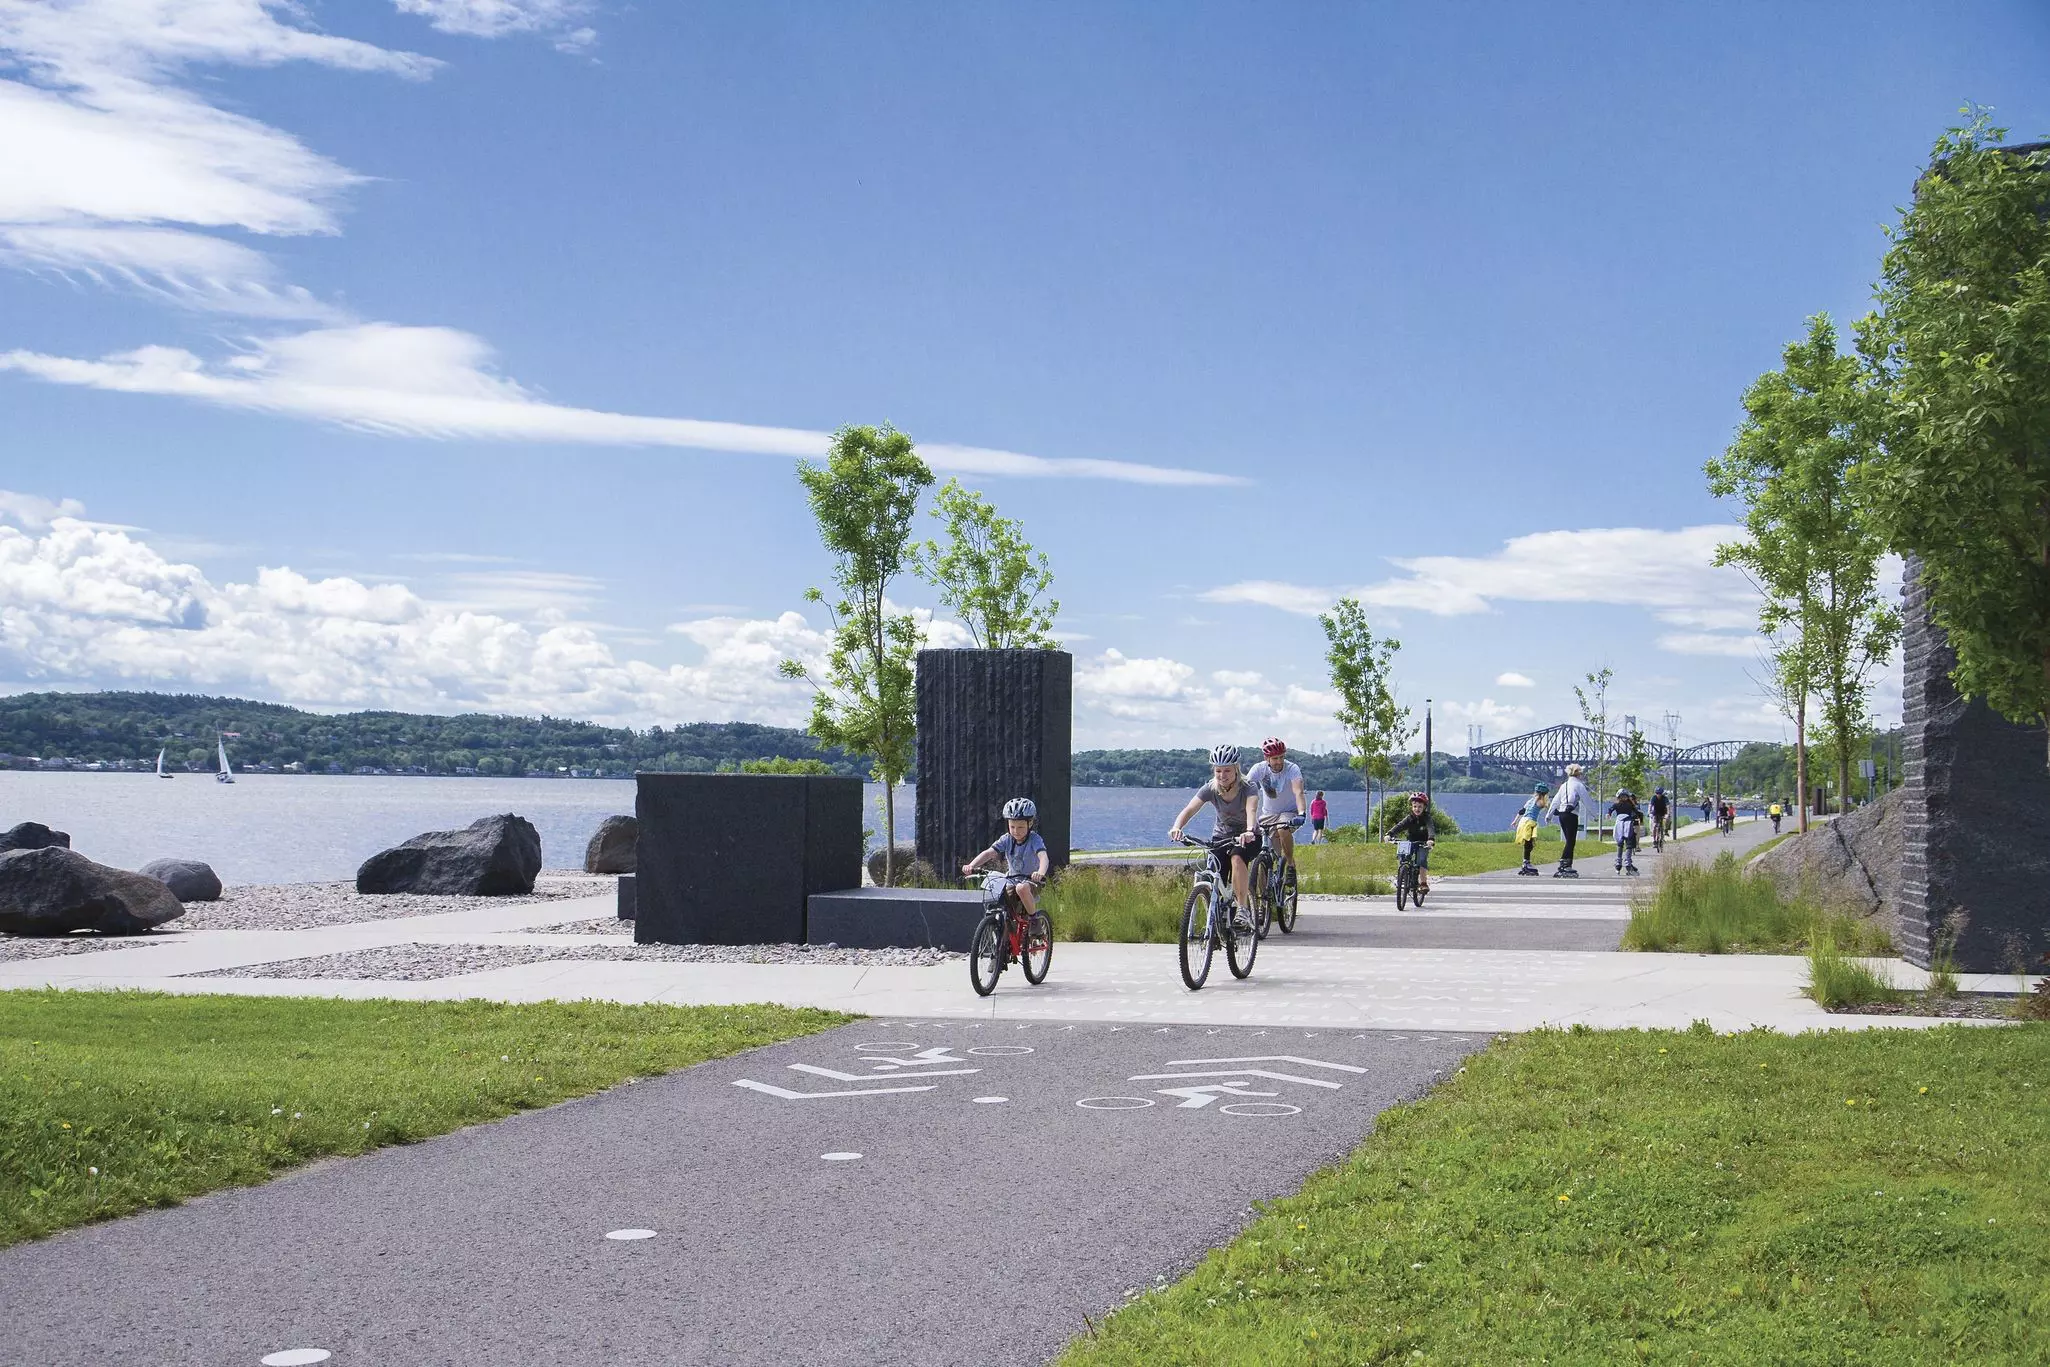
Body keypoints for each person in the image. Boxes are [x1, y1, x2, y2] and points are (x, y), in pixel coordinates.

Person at [1169, 744, 1261, 925]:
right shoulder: (1210, 788)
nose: (1222, 775)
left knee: (1237, 857)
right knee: (1213, 873)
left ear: (1236, 769)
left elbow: (1252, 810)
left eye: (1227, 770)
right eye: (1218, 771)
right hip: (1222, 837)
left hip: (1248, 837)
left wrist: (1250, 830)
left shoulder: (1249, 787)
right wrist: (1177, 827)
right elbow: (1190, 809)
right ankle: (1216, 921)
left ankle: (1242, 910)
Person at [961, 796, 1050, 916]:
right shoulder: (1007, 839)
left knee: (1021, 888)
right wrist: (971, 865)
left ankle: (1034, 920)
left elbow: (1043, 857)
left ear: (1030, 824)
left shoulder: (1035, 839)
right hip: (1012, 880)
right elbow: (989, 853)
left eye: (1020, 827)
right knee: (1002, 905)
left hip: (1032, 881)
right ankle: (1000, 928)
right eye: (1012, 827)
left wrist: (1040, 872)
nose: (1015, 831)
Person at [1246, 737, 1308, 867]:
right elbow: (1244, 788)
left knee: (1282, 829)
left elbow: (1298, 792)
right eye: (1275, 758)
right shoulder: (1259, 769)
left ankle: (1290, 864)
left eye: (1281, 757)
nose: (1279, 761)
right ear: (1266, 758)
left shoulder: (1292, 769)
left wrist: (1302, 813)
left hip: (1289, 812)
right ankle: (1267, 880)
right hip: (1269, 814)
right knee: (1264, 851)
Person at [1382, 790, 1436, 895]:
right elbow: (1400, 826)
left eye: (1420, 807)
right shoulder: (1409, 818)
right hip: (1410, 841)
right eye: (1415, 806)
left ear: (1424, 807)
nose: (1417, 809)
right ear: (1411, 807)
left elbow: (1431, 828)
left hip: (1423, 842)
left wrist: (1431, 839)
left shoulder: (1427, 818)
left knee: (1421, 860)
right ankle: (1403, 875)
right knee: (1402, 855)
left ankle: (1423, 883)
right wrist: (1389, 834)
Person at [1549, 763, 1590, 877]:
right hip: (1571, 814)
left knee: (1569, 841)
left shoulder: (1564, 785)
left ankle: (1567, 864)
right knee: (1571, 841)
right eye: (1581, 773)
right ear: (1578, 774)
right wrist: (1595, 815)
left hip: (1562, 814)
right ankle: (1564, 863)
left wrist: (1549, 815)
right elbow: (1587, 800)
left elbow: (1555, 801)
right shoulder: (1579, 785)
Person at [1510, 783, 1549, 875]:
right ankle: (1526, 863)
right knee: (1529, 844)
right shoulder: (1541, 802)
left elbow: (1521, 811)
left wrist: (1515, 821)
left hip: (1523, 821)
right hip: (1529, 823)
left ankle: (1526, 862)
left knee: (1528, 843)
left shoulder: (1530, 801)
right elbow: (1548, 808)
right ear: (1544, 794)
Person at [1609, 789, 1643, 874]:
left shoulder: (1616, 804)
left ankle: (1618, 862)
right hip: (1628, 824)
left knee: (1620, 842)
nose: (1624, 798)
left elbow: (1610, 809)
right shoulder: (1630, 805)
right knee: (1629, 843)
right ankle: (1628, 863)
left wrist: (1608, 814)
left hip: (1619, 824)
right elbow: (1637, 813)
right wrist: (1640, 819)